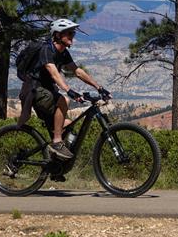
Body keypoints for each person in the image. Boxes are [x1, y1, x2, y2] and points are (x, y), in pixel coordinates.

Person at [18, 18, 112, 161]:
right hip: (34, 90)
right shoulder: (46, 49)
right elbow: (54, 72)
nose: (72, 37)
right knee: (64, 101)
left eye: (72, 34)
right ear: (57, 35)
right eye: (68, 34)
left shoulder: (63, 53)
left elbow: (77, 71)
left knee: (67, 125)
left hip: (47, 91)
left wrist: (99, 87)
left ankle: (55, 165)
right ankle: (56, 143)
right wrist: (69, 91)